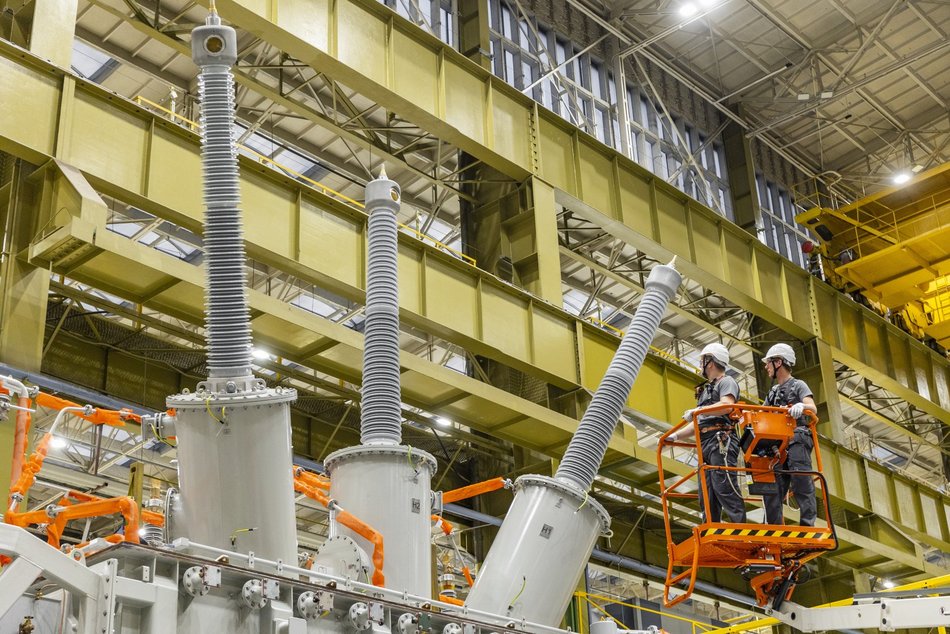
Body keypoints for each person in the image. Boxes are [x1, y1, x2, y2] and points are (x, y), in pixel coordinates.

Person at [669, 343, 747, 524]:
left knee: (724, 487)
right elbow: (699, 423)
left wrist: (699, 411)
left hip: (721, 440)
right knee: (707, 493)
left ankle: (740, 529)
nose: (700, 364)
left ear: (710, 362)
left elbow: (727, 405)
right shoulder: (706, 391)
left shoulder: (726, 382)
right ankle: (711, 529)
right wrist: (675, 436)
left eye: (702, 360)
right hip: (705, 442)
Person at [760, 343, 818, 526]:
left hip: (797, 438)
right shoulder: (773, 393)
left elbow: (812, 408)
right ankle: (773, 530)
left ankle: (808, 528)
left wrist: (802, 406)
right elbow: (761, 414)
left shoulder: (798, 385)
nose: (766, 367)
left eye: (768, 362)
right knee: (772, 490)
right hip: (778, 446)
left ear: (778, 362)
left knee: (801, 481)